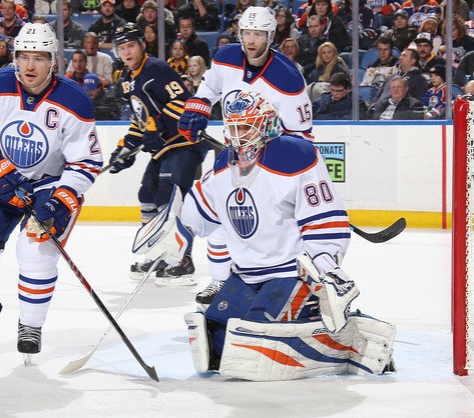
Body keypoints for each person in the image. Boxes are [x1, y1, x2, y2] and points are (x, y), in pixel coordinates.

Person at [139, 91, 395, 380]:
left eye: (246, 126)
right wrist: (176, 235)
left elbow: (322, 217)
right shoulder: (224, 164)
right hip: (244, 274)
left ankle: (351, 340)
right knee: (214, 338)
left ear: (266, 126)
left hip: (290, 274)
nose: (239, 135)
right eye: (234, 127)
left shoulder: (292, 156)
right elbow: (201, 210)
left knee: (252, 339)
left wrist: (328, 267)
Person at [0, 22, 103, 360]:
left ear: (54, 61)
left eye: (40, 57)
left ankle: (31, 326)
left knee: (35, 252)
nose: (30, 66)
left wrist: (62, 199)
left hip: (49, 184)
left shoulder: (75, 100)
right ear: (15, 57)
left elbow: (87, 162)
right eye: (24, 57)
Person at [177, 6, 313, 303]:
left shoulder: (288, 79)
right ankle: (220, 280)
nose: (251, 40)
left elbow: (302, 135)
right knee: (222, 217)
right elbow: (210, 87)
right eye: (247, 33)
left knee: (268, 224)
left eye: (259, 34)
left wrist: (282, 163)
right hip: (231, 154)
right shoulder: (226, 58)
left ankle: (288, 277)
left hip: (268, 163)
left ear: (271, 36)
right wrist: (198, 107)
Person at [108, 23, 209, 284]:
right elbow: (140, 120)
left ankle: (182, 258)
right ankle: (157, 252)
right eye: (122, 47)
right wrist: (125, 148)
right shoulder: (128, 80)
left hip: (184, 144)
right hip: (164, 148)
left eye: (131, 45)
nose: (127, 51)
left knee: (169, 196)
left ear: (142, 45)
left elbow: (186, 104)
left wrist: (158, 124)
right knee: (147, 195)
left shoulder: (156, 69)